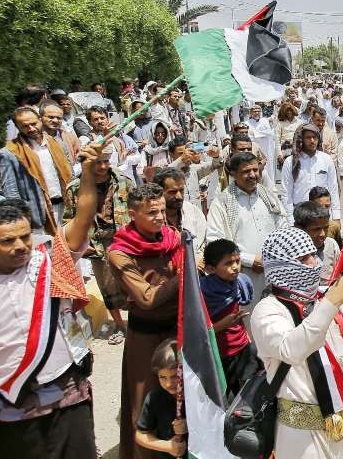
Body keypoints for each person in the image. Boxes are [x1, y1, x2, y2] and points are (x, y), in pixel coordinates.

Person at [0, 142, 102, 459]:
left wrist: (88, 176)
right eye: (8, 241)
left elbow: (83, 218)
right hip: (10, 407)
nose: (21, 246)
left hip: (66, 396)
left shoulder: (50, 264)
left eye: (25, 236)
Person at [250, 227, 343, 458]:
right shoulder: (268, 310)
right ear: (281, 264)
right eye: (304, 258)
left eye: (314, 254)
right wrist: (333, 300)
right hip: (302, 433)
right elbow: (293, 350)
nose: (314, 262)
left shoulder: (325, 295)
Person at [108, 183, 185, 459]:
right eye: (152, 213)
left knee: (180, 400)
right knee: (145, 404)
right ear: (132, 214)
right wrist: (183, 275)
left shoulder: (172, 237)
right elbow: (147, 298)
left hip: (176, 329)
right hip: (146, 337)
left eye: (162, 210)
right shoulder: (119, 252)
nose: (161, 218)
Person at [63, 143, 132, 346]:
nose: (102, 166)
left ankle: (136, 322)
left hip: (124, 241)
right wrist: (83, 245)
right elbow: (70, 219)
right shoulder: (75, 188)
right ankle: (119, 325)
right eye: (97, 162)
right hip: (96, 243)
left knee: (130, 282)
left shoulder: (123, 181)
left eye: (105, 161)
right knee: (107, 287)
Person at [206, 151, 287, 310]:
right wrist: (249, 260)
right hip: (243, 275)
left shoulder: (267, 195)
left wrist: (276, 255)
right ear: (233, 173)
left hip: (274, 269)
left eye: (255, 170)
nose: (252, 175)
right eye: (246, 171)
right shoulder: (222, 202)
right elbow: (216, 242)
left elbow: (283, 226)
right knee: (248, 317)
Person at [0, 106, 73, 235]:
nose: (31, 129)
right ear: (17, 127)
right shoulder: (10, 152)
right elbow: (11, 191)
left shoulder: (57, 144)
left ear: (40, 120)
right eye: (25, 126)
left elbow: (70, 173)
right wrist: (22, 217)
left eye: (34, 124)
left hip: (65, 208)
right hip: (37, 215)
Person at [200, 238, 258, 399]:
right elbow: (197, 330)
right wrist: (221, 325)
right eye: (228, 263)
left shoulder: (239, 283)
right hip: (219, 353)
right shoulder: (203, 291)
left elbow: (237, 312)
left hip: (242, 347)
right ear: (211, 269)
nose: (235, 267)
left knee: (246, 394)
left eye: (237, 261)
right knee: (225, 397)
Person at [280, 123, 341, 229]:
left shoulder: (326, 160)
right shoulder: (290, 162)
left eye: (315, 137)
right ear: (301, 139)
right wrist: (290, 221)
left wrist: (336, 217)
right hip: (300, 217)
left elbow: (333, 190)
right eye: (308, 137)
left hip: (322, 216)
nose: (312, 141)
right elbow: (286, 194)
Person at [134, 340, 187, 459]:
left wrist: (189, 426)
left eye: (174, 376)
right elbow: (140, 435)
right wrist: (168, 446)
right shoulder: (155, 397)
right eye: (162, 377)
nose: (168, 384)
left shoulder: (197, 396)